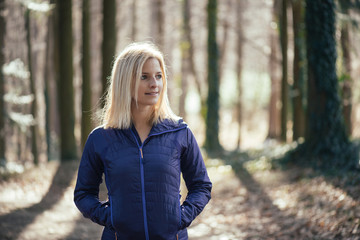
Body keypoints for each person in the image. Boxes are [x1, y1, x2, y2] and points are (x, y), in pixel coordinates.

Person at [74, 42, 212, 240]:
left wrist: (180, 218)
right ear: (124, 82)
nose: (154, 84)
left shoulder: (179, 132)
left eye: (158, 76)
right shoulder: (101, 138)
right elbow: (83, 193)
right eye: (144, 77)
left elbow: (201, 186)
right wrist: (111, 218)